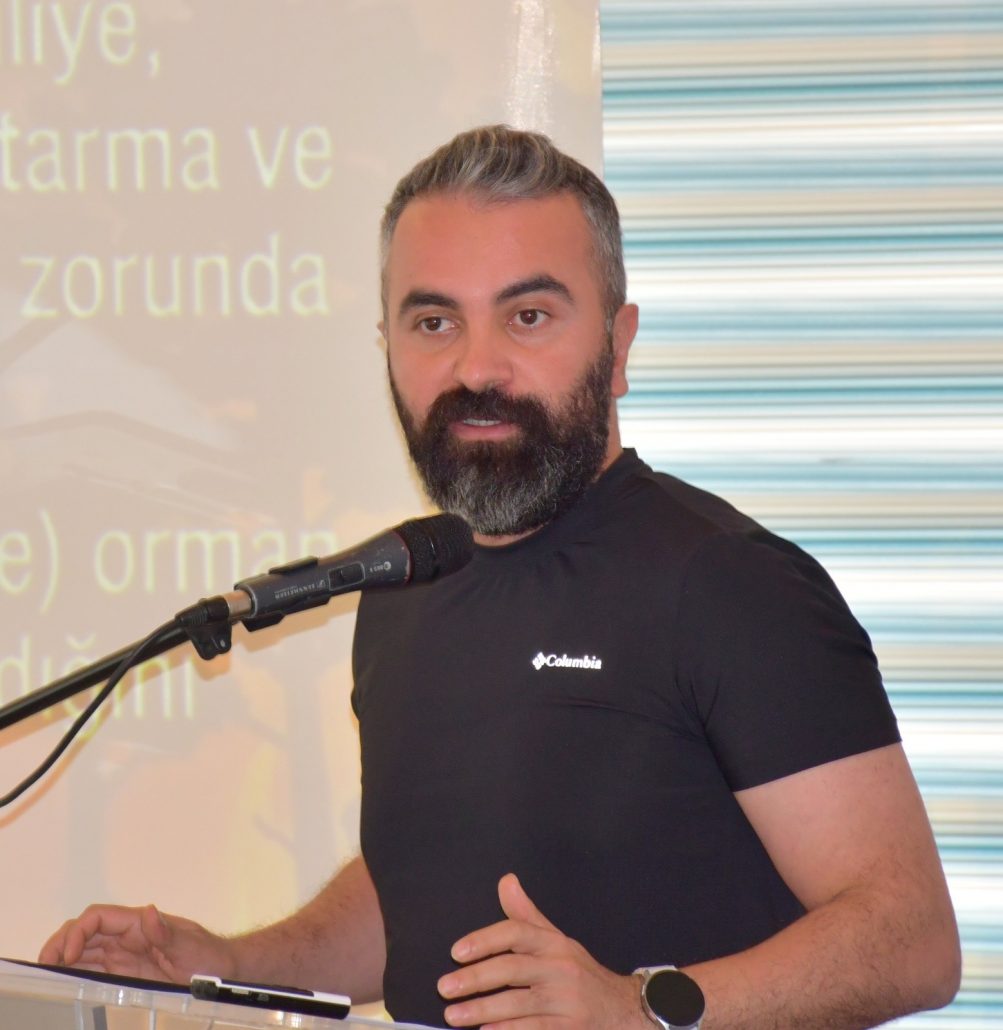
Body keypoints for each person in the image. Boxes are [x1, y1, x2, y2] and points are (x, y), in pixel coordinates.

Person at [40, 126, 960, 1029]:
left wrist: (638, 1009)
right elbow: (418, 895)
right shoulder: (403, 584)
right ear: (387, 347)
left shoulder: (729, 585)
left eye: (528, 317)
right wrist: (230, 966)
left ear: (619, 346)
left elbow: (911, 940)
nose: (476, 366)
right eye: (434, 322)